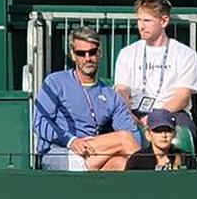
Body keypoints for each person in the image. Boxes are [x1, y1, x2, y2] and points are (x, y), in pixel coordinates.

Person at [34, 26, 141, 171]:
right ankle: (156, 179)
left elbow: (133, 134)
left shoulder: (110, 94)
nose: (87, 58)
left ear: (100, 53)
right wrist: (71, 141)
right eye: (81, 53)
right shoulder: (55, 81)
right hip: (59, 152)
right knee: (124, 139)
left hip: (91, 154)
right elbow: (40, 122)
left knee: (122, 163)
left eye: (92, 52)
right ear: (73, 55)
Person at [114, 0, 197, 141]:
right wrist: (129, 114)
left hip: (171, 111)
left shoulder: (185, 54)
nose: (141, 26)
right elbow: (122, 91)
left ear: (164, 21)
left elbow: (181, 98)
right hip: (134, 111)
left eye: (147, 21)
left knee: (185, 132)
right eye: (139, 20)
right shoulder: (127, 53)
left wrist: (154, 117)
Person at [126, 110, 195, 171]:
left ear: (174, 134)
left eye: (168, 130)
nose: (164, 135)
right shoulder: (138, 160)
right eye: (158, 130)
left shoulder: (185, 159)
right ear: (148, 134)